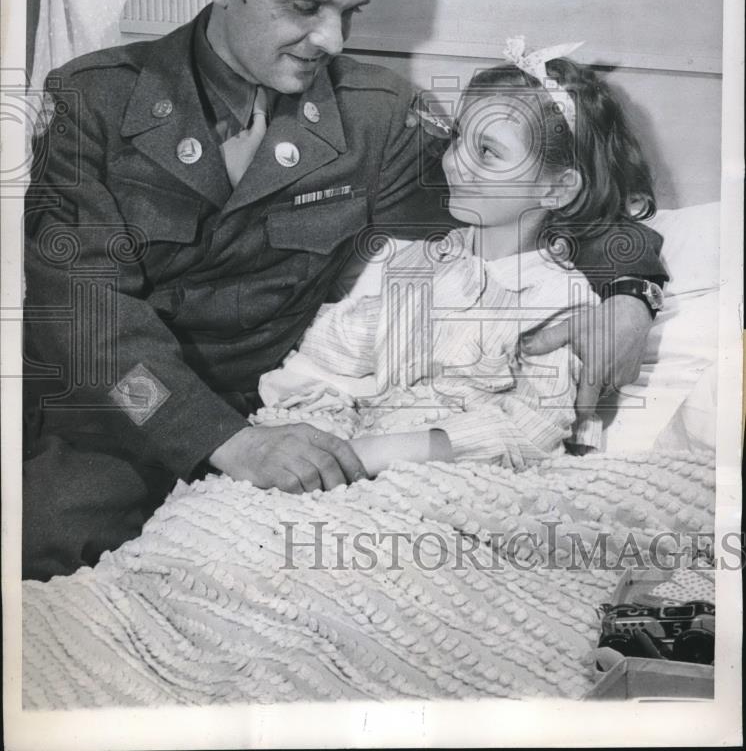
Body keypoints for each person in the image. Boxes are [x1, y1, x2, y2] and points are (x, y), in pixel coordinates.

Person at [23, 0, 666, 581]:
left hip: (300, 423)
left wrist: (628, 293)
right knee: (39, 559)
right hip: (127, 414)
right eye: (304, 6)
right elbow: (84, 311)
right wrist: (229, 442)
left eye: (349, 11)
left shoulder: (377, 119)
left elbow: (526, 210)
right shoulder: (92, 101)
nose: (331, 40)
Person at [256, 48, 662, 473]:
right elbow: (338, 351)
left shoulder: (560, 299)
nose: (453, 161)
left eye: (487, 151)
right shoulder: (423, 261)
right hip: (364, 452)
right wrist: (318, 427)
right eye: (456, 137)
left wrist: (376, 453)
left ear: (557, 189)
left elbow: (530, 432)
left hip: (461, 474)